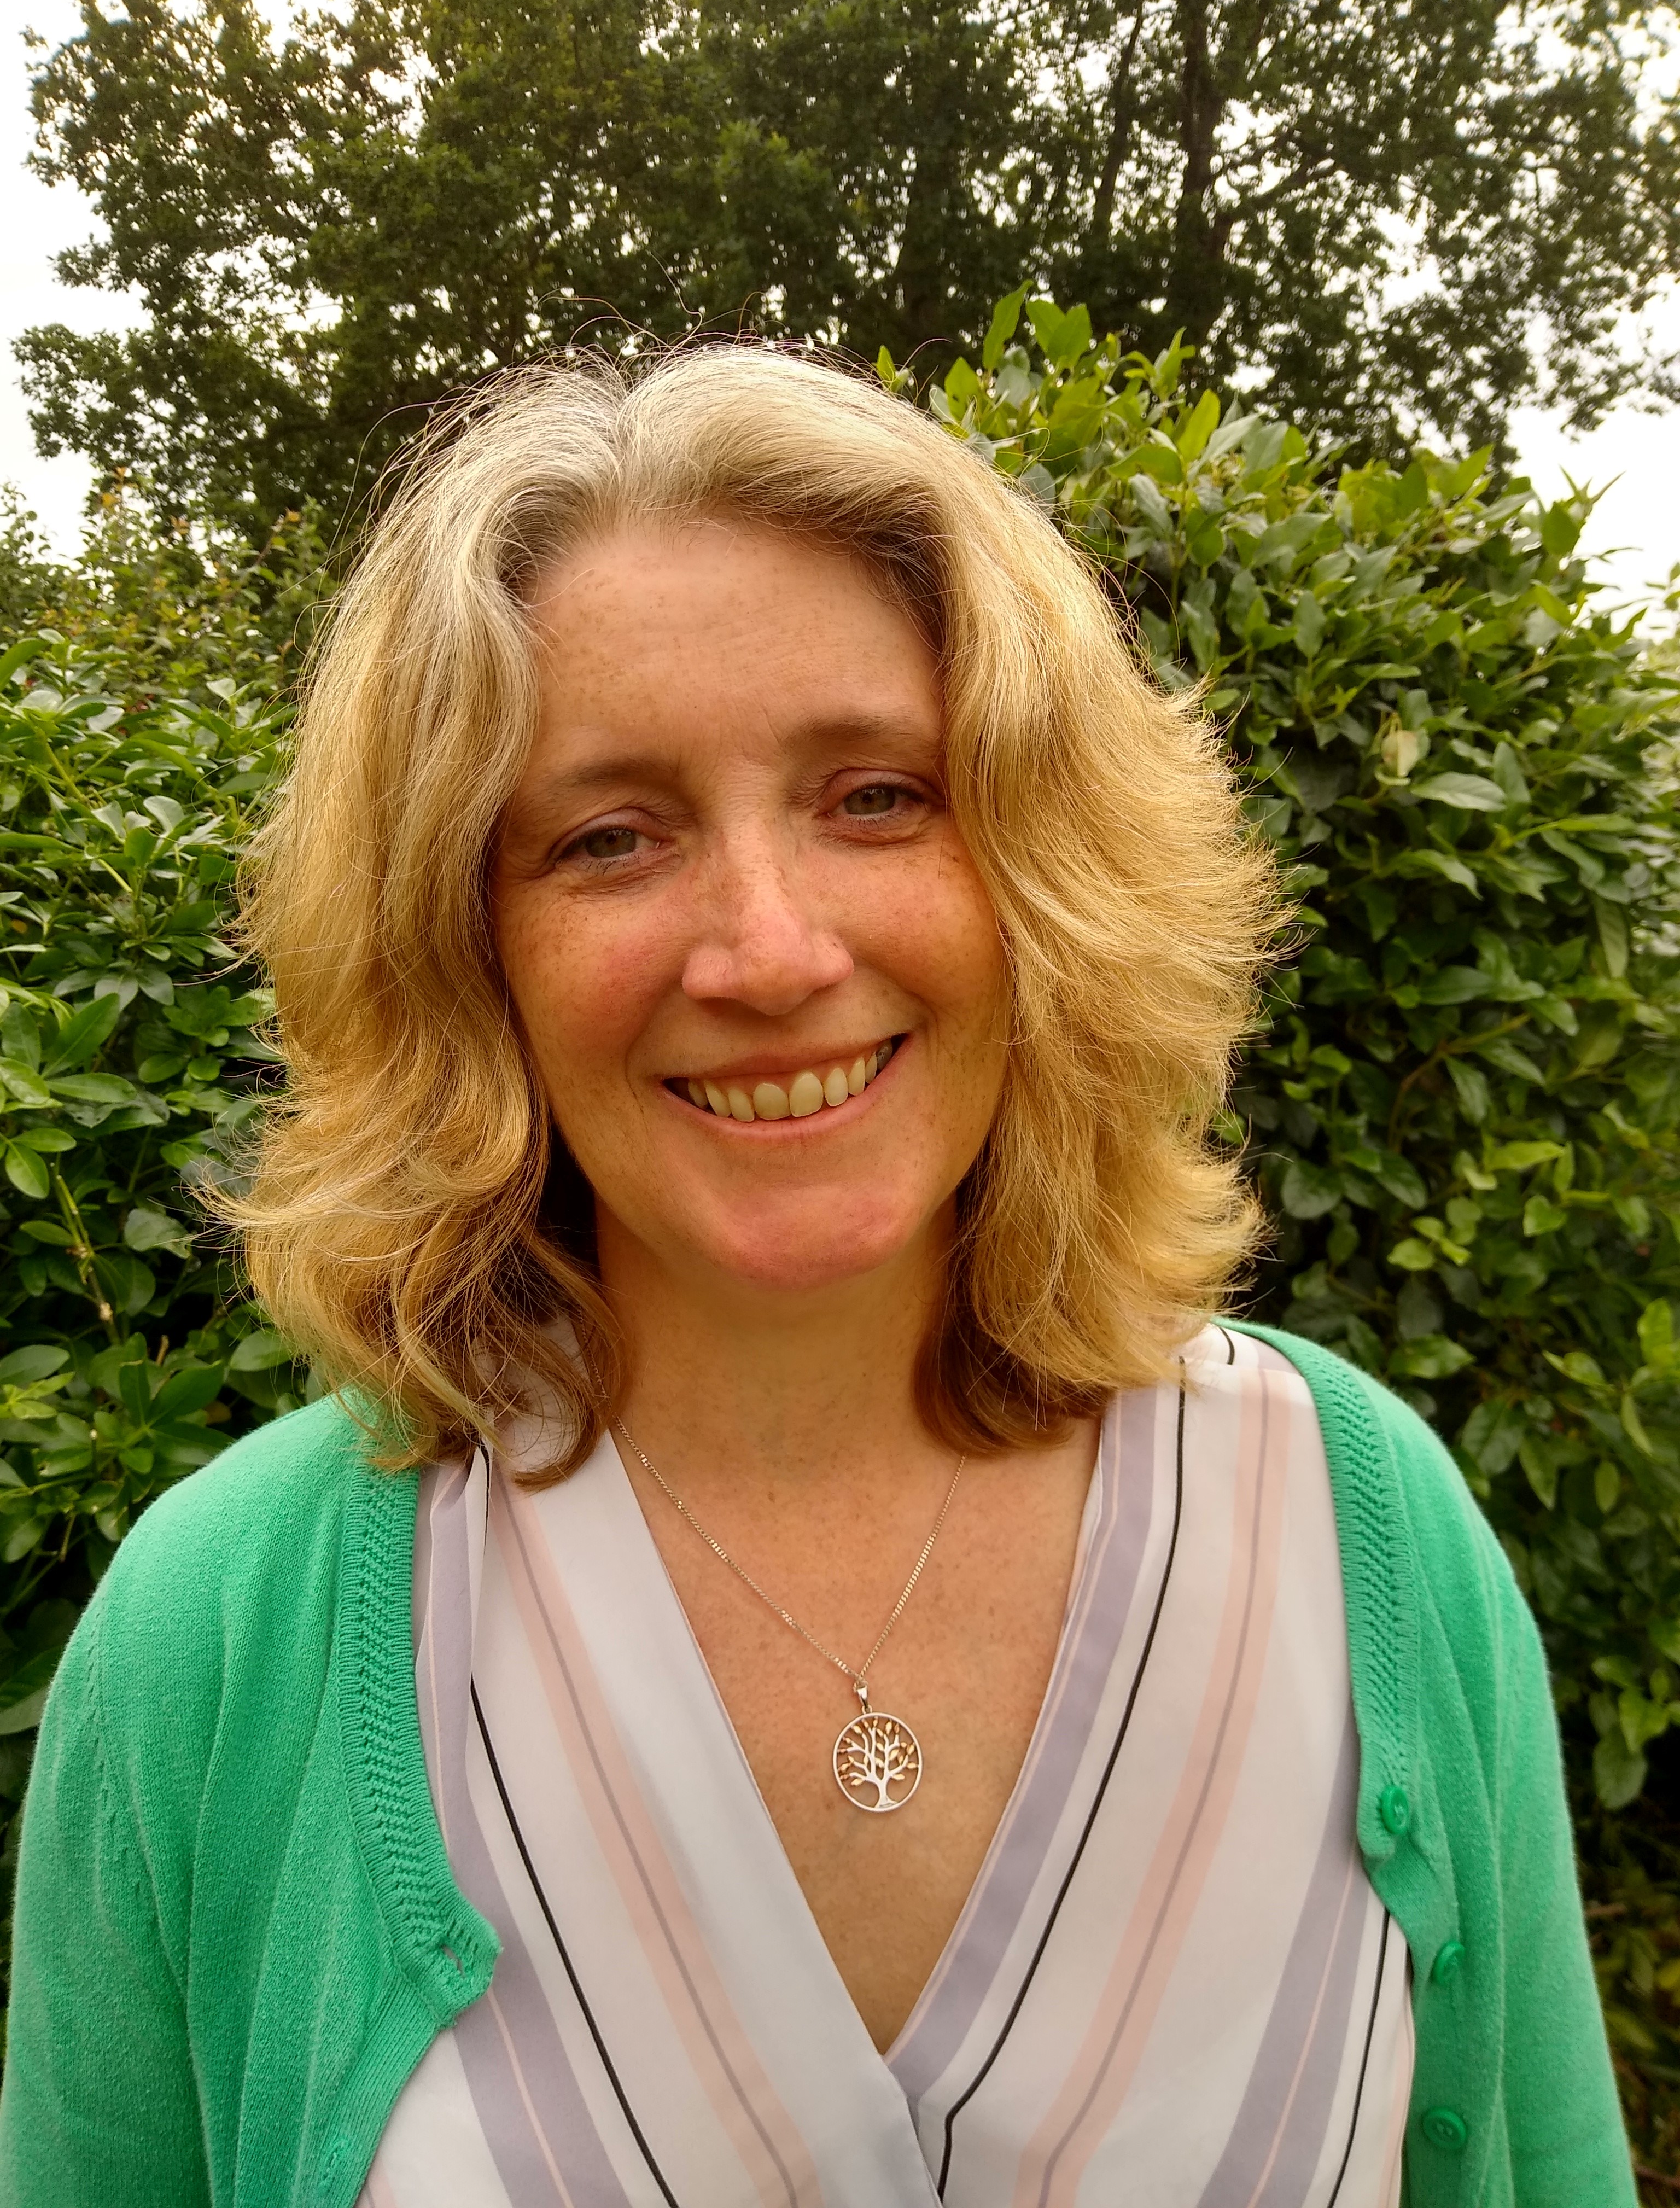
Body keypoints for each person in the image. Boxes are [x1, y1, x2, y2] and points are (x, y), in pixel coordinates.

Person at [0, 347, 1632, 2208]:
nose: (769, 954)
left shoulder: (1368, 1534)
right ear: (463, 949)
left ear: (1047, 865)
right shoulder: (213, 1639)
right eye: (609, 837)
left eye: (876, 797)